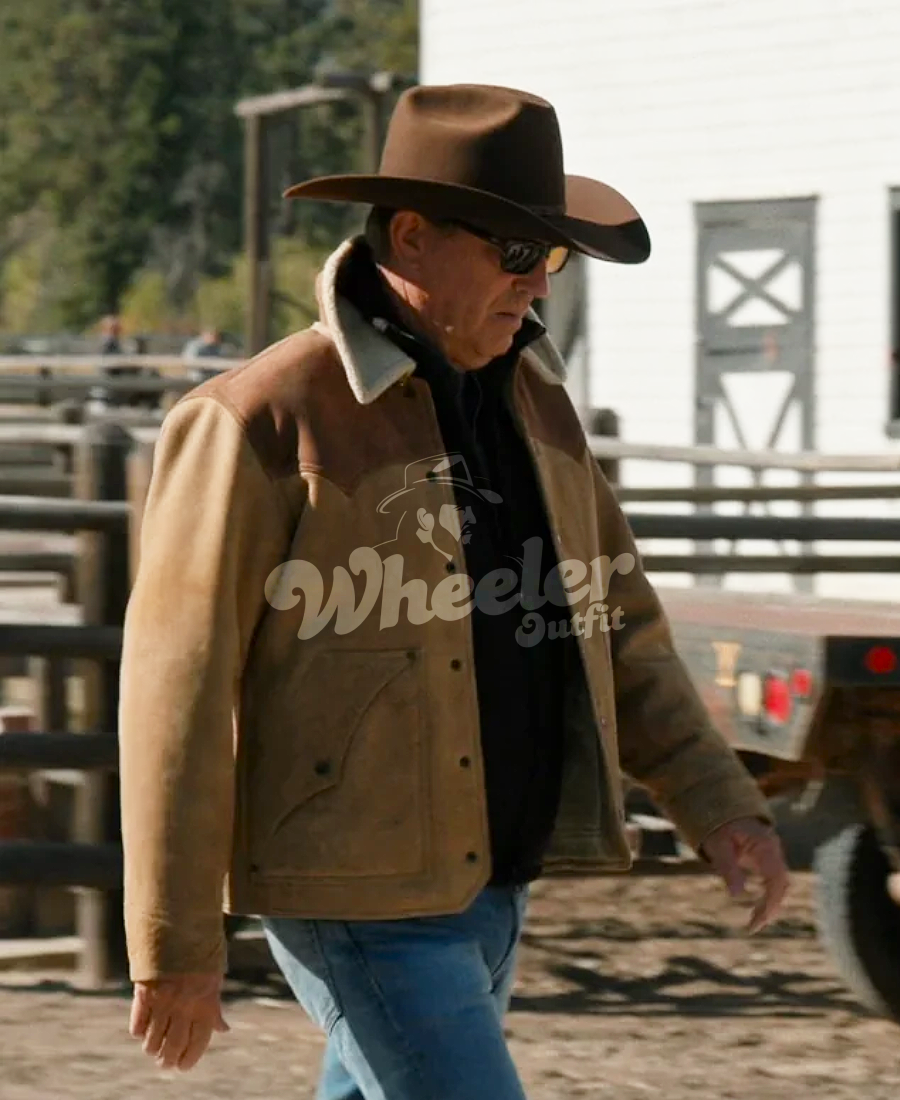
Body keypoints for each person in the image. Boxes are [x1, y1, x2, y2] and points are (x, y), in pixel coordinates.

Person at [119, 84, 789, 1097]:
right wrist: (174, 936)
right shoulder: (260, 418)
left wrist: (719, 802)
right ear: (414, 235)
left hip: (493, 878)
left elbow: (622, 629)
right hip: (354, 888)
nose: (538, 285)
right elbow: (176, 690)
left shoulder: (540, 405)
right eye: (516, 253)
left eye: (552, 256)